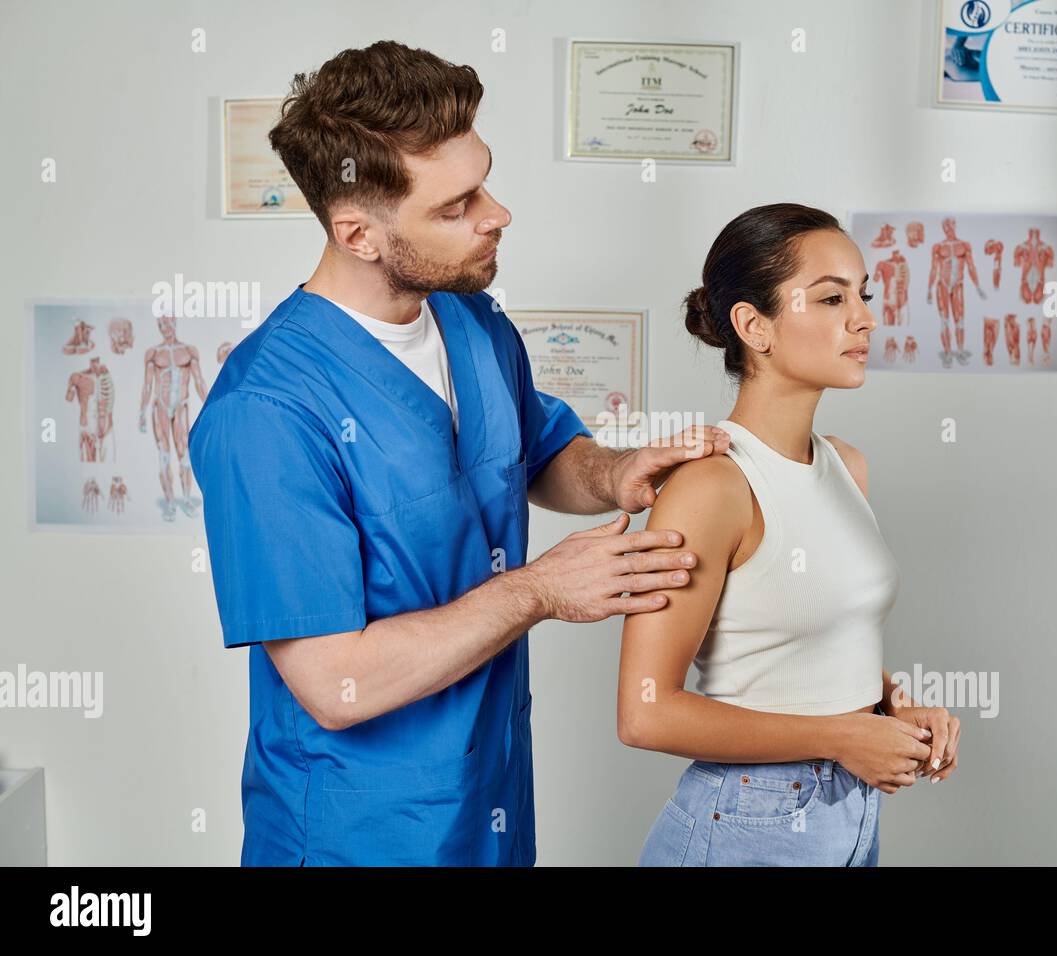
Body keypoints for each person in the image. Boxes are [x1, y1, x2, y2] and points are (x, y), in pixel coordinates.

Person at [189, 41, 730, 866]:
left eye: (486, 180)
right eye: (458, 204)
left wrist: (613, 473)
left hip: (492, 814)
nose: (497, 213)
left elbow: (542, 452)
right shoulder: (266, 412)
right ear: (359, 232)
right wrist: (541, 590)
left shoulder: (473, 324)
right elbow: (340, 685)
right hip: (358, 838)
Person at [619, 203, 962, 866]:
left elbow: (803, 643)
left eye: (862, 295)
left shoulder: (846, 464)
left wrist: (893, 706)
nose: (862, 318)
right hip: (749, 818)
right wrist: (840, 736)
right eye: (831, 298)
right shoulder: (712, 487)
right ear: (754, 326)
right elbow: (645, 712)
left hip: (851, 810)